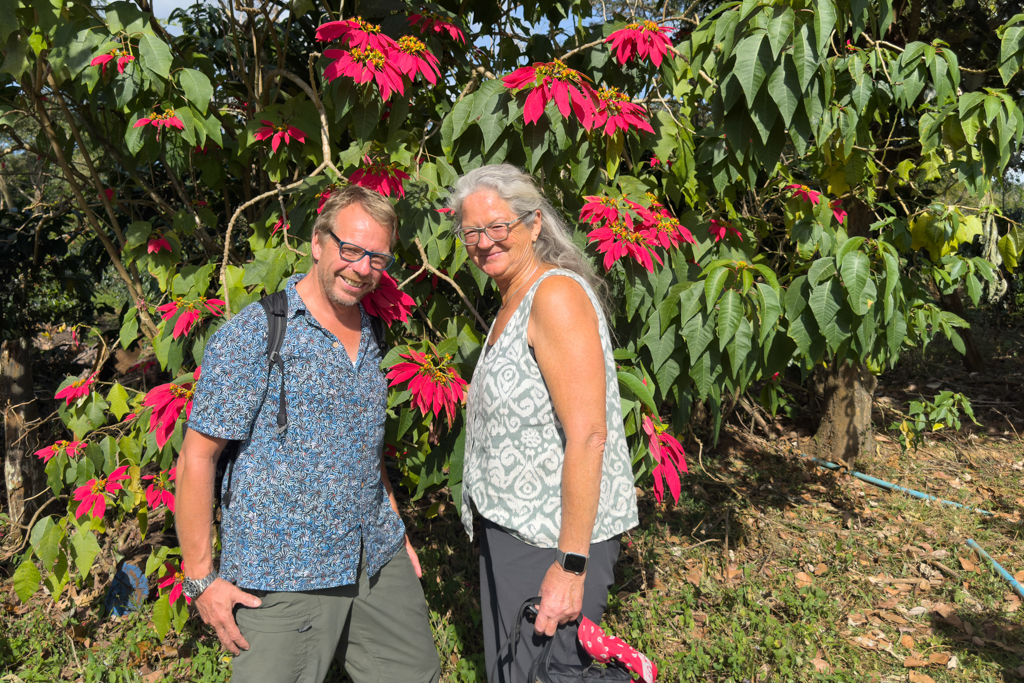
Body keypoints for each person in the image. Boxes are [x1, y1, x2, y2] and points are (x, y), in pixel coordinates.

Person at [175, 185, 441, 683]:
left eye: (377, 258)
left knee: (415, 673)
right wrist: (200, 580)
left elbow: (367, 448)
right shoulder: (256, 333)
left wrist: (395, 526)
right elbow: (197, 458)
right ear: (318, 242)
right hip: (283, 569)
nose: (362, 268)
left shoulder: (372, 333)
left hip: (375, 556)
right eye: (351, 249)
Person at [451, 164, 639, 683]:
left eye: (498, 226)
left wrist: (571, 566)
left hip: (550, 540)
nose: (485, 242)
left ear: (533, 224)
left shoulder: (554, 296)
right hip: (512, 531)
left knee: (547, 672)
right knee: (516, 672)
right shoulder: (513, 298)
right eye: (472, 232)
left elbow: (589, 435)